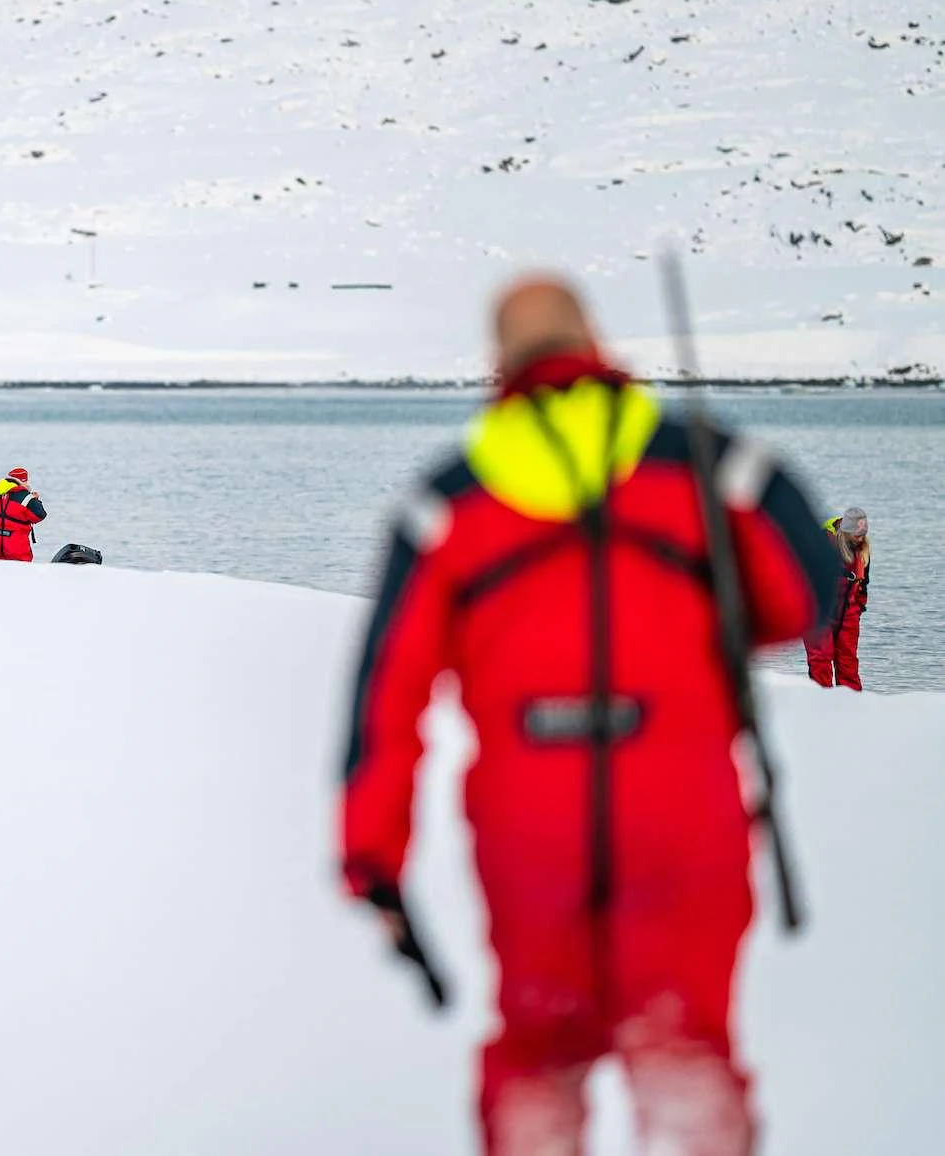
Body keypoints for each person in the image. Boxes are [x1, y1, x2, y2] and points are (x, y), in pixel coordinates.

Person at [336, 274, 841, 1154]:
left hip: (530, 837)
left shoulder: (448, 503)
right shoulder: (707, 465)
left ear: (498, 361)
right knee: (685, 1052)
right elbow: (809, 594)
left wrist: (373, 857)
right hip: (683, 824)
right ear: (596, 342)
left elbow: (387, 690)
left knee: (540, 1054)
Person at [803, 506, 871, 690]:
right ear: (846, 531)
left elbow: (864, 584)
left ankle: (852, 708)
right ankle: (821, 706)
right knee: (821, 660)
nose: (861, 539)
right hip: (819, 610)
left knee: (848, 662)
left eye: (863, 534)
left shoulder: (863, 550)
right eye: (857, 535)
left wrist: (858, 609)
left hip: (848, 611)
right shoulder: (823, 543)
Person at [0, 467, 47, 562]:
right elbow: (40, 515)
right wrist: (35, 500)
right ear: (24, 480)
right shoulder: (26, 497)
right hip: (17, 542)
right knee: (21, 573)